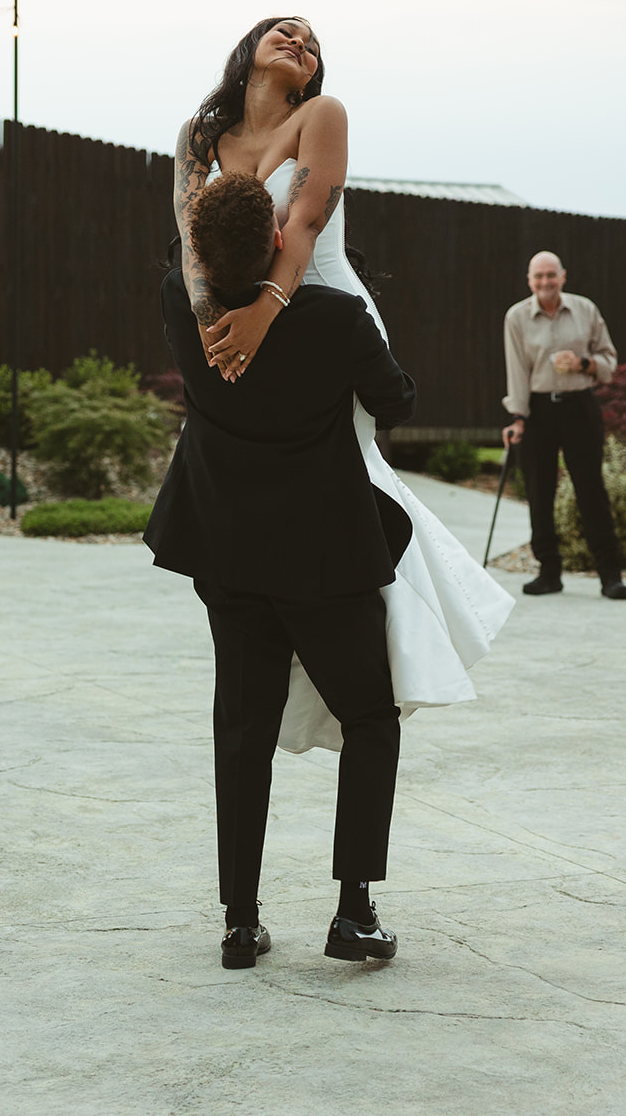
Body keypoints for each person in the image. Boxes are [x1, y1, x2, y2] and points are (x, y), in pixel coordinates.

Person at [172, 16, 515, 755]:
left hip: (320, 310)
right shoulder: (200, 134)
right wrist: (210, 326)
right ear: (248, 50)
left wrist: (262, 313)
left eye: (312, 41)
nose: (300, 40)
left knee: (339, 477)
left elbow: (300, 224)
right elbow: (190, 234)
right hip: (234, 320)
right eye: (282, 30)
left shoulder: (320, 116)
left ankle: (370, 637)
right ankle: (272, 622)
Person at [145, 170, 416, 967]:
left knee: (241, 729)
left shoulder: (177, 299)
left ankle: (239, 924)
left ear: (197, 251)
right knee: (369, 720)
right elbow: (395, 398)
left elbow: (185, 263)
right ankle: (352, 914)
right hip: (324, 556)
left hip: (225, 551)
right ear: (277, 238)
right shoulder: (333, 315)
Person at [501, 251, 626, 599]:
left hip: (580, 407)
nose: (545, 282)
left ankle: (610, 575)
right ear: (529, 280)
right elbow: (517, 372)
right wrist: (518, 417)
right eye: (538, 276)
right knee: (539, 493)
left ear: (563, 277)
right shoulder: (516, 317)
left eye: (551, 275)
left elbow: (609, 361)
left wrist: (583, 363)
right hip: (539, 411)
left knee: (591, 491)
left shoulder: (585, 310)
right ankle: (549, 572)